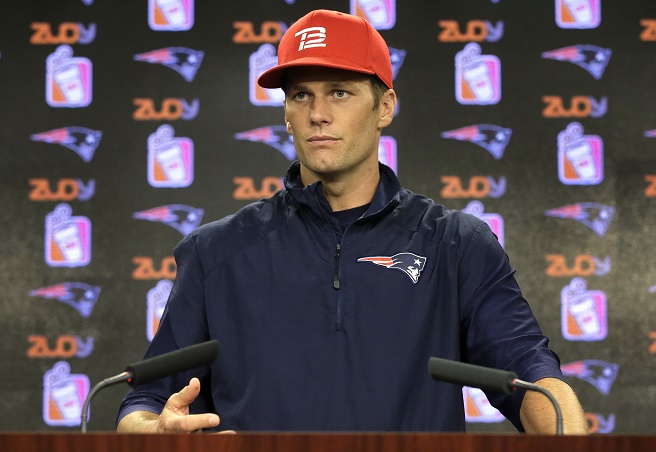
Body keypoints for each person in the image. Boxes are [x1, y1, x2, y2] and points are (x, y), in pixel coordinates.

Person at [117, 9, 587, 435]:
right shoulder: (215, 251)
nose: (318, 114)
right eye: (301, 95)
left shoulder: (456, 243)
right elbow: (143, 403)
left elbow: (531, 375)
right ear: (286, 114)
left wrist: (565, 433)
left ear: (384, 107)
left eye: (339, 92)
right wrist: (156, 434)